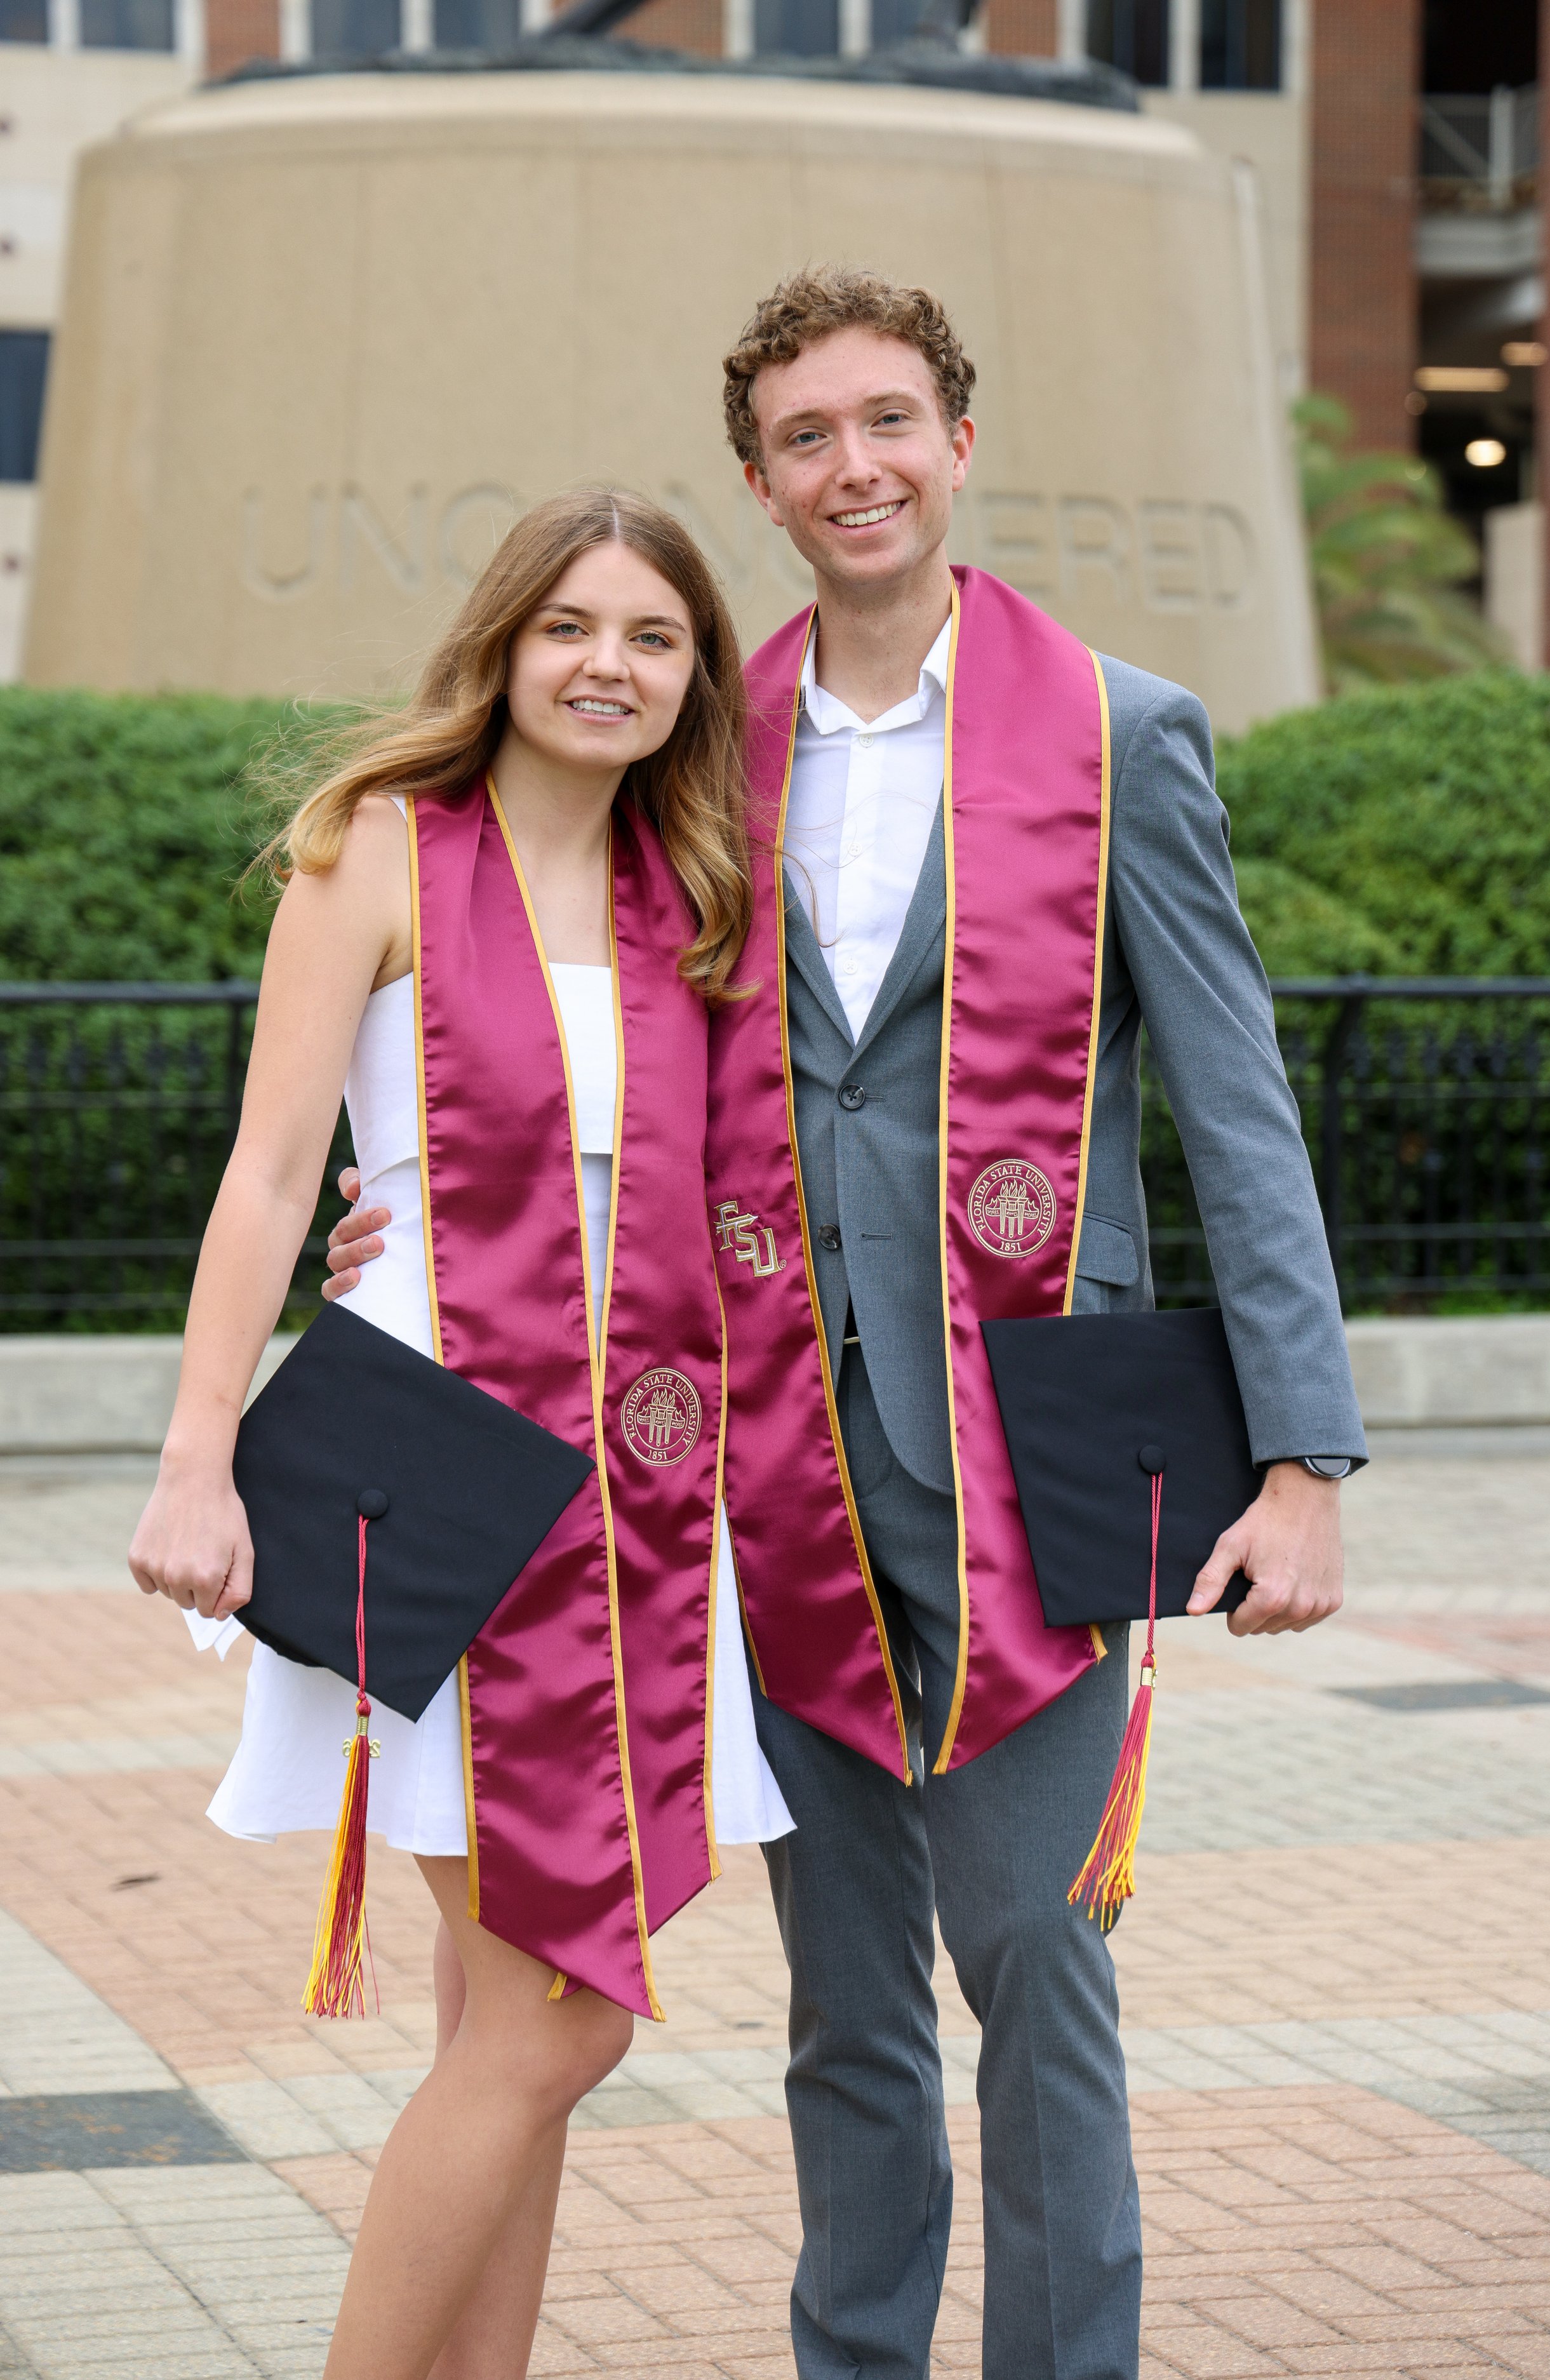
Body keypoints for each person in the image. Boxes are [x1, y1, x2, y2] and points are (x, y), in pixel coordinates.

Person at [327, 270, 1367, 2380]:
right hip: (763, 1453)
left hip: (1036, 1451)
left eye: (888, 420)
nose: (854, 464)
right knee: (848, 2013)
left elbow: (1240, 1114)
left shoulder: (1116, 735)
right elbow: (569, 1033)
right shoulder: (710, 743)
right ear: (761, 483)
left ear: (958, 442)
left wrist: (1304, 1459)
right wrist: (398, 1211)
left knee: (1037, 1964)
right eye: (807, 438)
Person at [128, 487, 792, 2380]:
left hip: (649, 1487)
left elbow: (743, 1202)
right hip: (446, 1446)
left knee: (509, 2013)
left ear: (694, 678)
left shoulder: (706, 893)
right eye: (574, 626)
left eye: (654, 638)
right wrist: (194, 1455)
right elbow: (268, 1176)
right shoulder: (383, 856)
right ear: (506, 644)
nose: (611, 664)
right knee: (558, 2017)